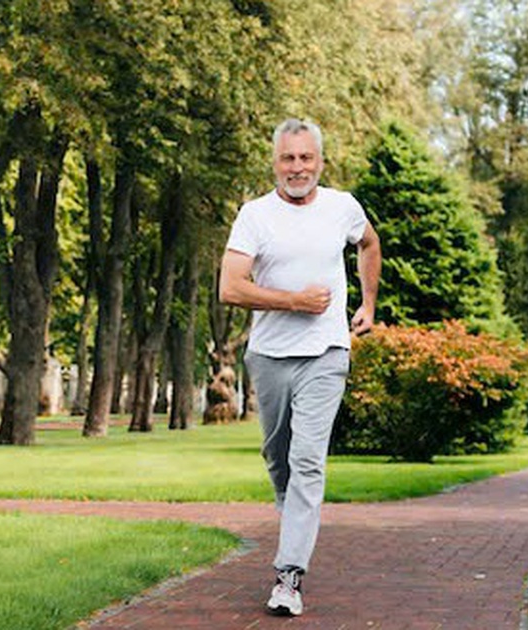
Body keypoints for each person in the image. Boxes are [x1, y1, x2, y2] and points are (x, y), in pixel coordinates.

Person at [219, 118, 381, 617]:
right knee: (280, 460)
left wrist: (368, 304)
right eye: (288, 158)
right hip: (268, 356)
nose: (297, 167)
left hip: (326, 353)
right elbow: (230, 287)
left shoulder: (343, 207)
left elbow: (369, 244)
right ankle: (295, 520)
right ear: (275, 163)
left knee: (308, 462)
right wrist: (293, 301)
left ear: (320, 161)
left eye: (306, 158)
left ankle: (289, 575)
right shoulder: (255, 215)